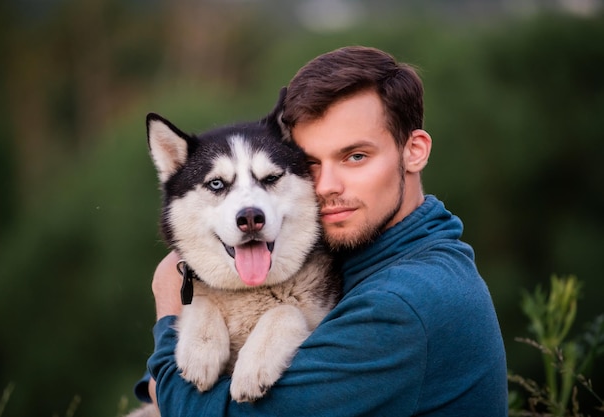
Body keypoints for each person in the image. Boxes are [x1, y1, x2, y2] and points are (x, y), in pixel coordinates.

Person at [134, 46, 508, 416]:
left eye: (355, 157)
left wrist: (169, 309)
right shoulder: (366, 259)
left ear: (414, 151)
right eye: (311, 162)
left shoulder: (403, 303)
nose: (327, 185)